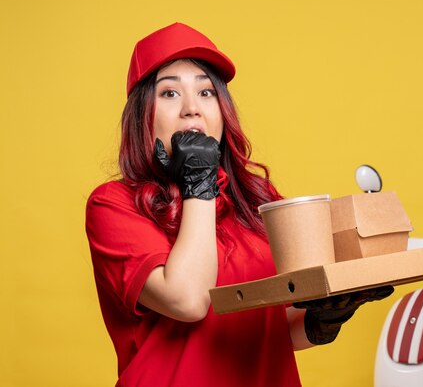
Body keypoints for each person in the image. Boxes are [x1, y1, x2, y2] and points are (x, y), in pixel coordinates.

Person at [85, 22, 392, 387]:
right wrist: (199, 183)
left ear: (222, 110)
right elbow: (188, 300)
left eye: (206, 92)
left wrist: (322, 320)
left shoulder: (255, 200)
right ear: (142, 118)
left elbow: (270, 332)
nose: (191, 109)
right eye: (169, 93)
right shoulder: (112, 206)